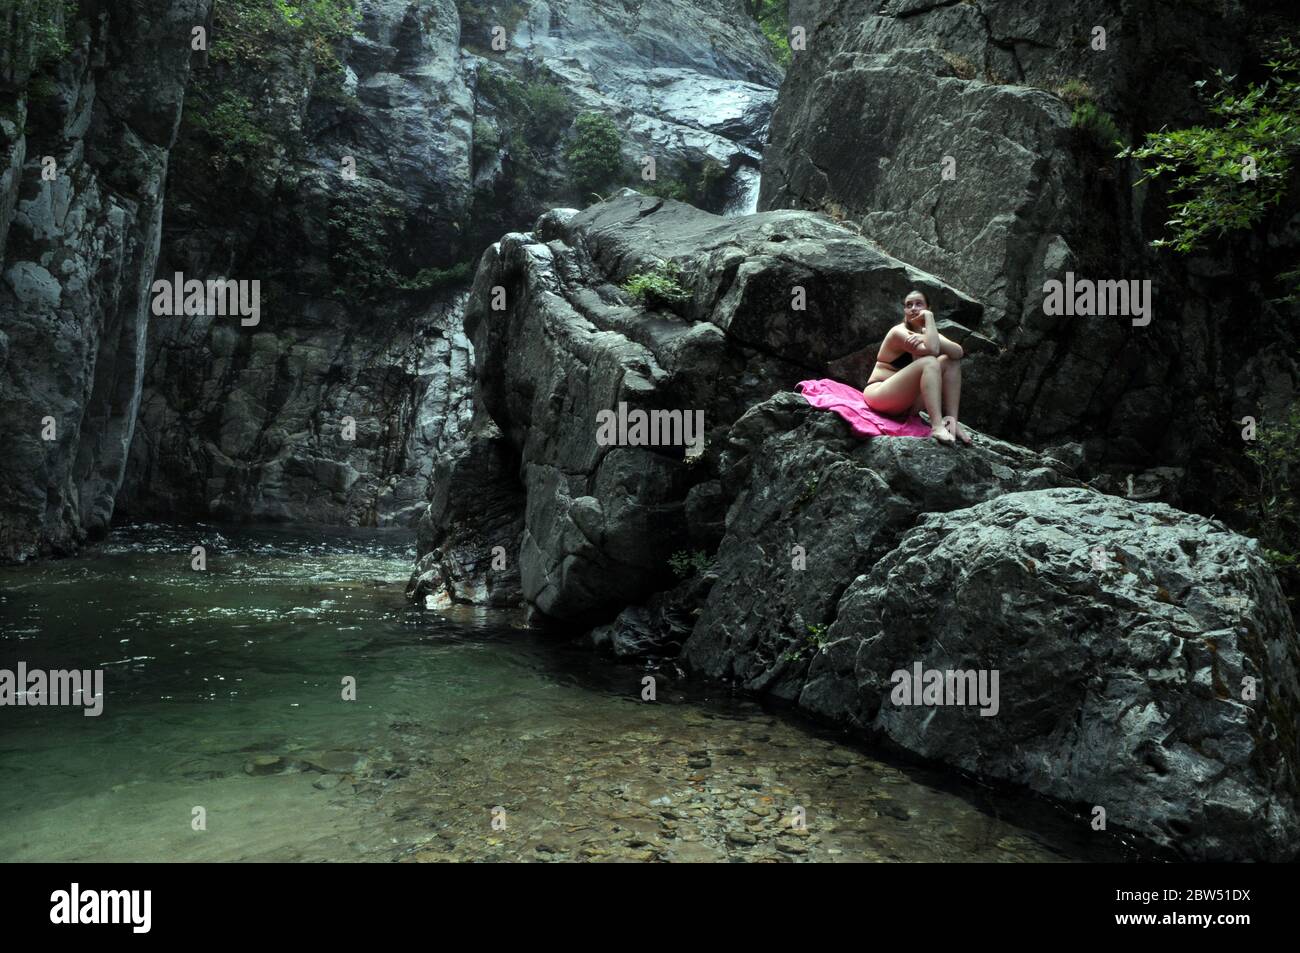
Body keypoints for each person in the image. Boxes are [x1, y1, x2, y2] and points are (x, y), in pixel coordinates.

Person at [862, 290, 972, 445]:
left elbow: (957, 352)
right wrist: (928, 321)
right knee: (930, 361)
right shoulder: (898, 332)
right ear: (904, 311)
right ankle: (937, 426)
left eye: (919, 304)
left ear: (928, 308)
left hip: (907, 405)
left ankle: (951, 422)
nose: (913, 308)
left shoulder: (927, 333)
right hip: (880, 396)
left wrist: (926, 328)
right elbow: (932, 350)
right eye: (909, 305)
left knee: (950, 361)